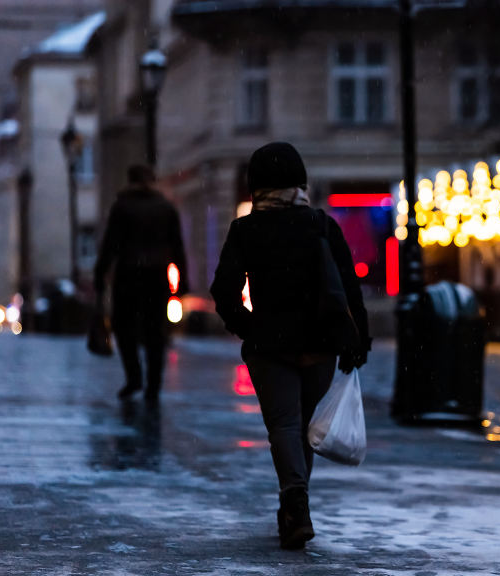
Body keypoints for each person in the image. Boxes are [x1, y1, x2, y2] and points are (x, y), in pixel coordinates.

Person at [210, 142, 370, 550]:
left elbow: (223, 293)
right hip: (319, 345)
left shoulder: (246, 229)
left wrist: (251, 328)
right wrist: (357, 338)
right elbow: (349, 289)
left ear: (256, 188)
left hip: (272, 346)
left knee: (283, 425)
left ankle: (294, 502)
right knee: (305, 430)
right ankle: (296, 504)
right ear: (301, 183)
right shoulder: (321, 224)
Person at [94, 165, 188, 401]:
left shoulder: (122, 206)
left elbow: (110, 244)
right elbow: (177, 246)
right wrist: (183, 279)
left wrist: (100, 272)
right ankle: (154, 385)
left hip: (128, 272)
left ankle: (134, 377)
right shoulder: (165, 207)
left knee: (124, 327)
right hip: (156, 273)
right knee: (156, 331)